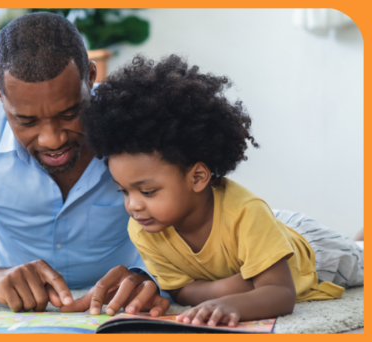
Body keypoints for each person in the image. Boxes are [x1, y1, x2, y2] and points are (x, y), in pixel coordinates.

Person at [0, 12, 169, 316]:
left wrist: (150, 277)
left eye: (69, 114)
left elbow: (195, 228)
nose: (52, 140)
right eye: (27, 121)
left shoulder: (138, 124)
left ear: (90, 77)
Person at [80, 54, 364, 326]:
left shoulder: (245, 213)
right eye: (124, 191)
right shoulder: (143, 229)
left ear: (198, 177)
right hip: (265, 230)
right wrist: (229, 287)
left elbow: (281, 293)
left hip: (314, 250)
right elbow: (180, 290)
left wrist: (233, 303)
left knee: (361, 257)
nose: (133, 205)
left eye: (148, 192)